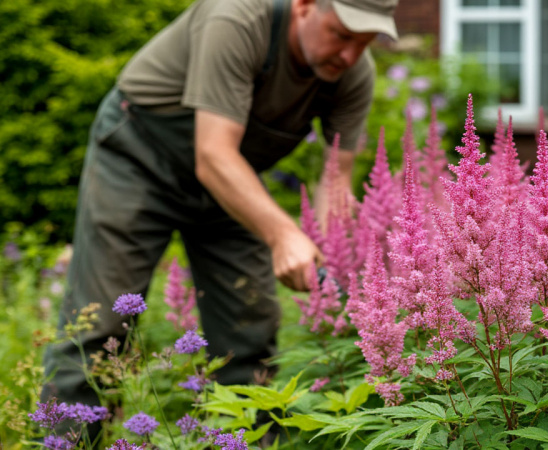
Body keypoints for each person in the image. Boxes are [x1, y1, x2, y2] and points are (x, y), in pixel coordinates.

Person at [41, 0, 398, 430]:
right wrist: (284, 235)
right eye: (341, 35)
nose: (350, 55)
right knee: (100, 324)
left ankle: (242, 438)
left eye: (365, 42)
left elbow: (335, 178)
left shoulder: (353, 75)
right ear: (305, 5)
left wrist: (326, 256)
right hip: (138, 160)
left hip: (232, 182)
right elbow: (212, 154)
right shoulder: (237, 19)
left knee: (248, 330)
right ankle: (64, 438)